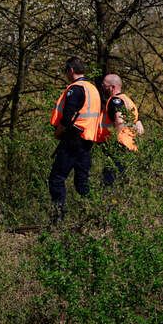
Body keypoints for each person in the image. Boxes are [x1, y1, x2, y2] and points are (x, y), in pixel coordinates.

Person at [48, 57, 102, 222]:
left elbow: (68, 116)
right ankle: (96, 216)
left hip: (73, 138)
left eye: (66, 71)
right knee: (82, 182)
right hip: (87, 140)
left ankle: (58, 219)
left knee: (56, 178)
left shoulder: (76, 89)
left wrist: (59, 131)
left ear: (71, 70)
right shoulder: (92, 89)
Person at [96, 73, 144, 185]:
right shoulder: (129, 101)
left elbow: (119, 120)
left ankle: (107, 201)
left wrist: (114, 142)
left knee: (109, 182)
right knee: (123, 181)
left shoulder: (115, 101)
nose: (102, 88)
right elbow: (140, 128)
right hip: (131, 146)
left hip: (118, 146)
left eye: (104, 85)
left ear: (112, 87)